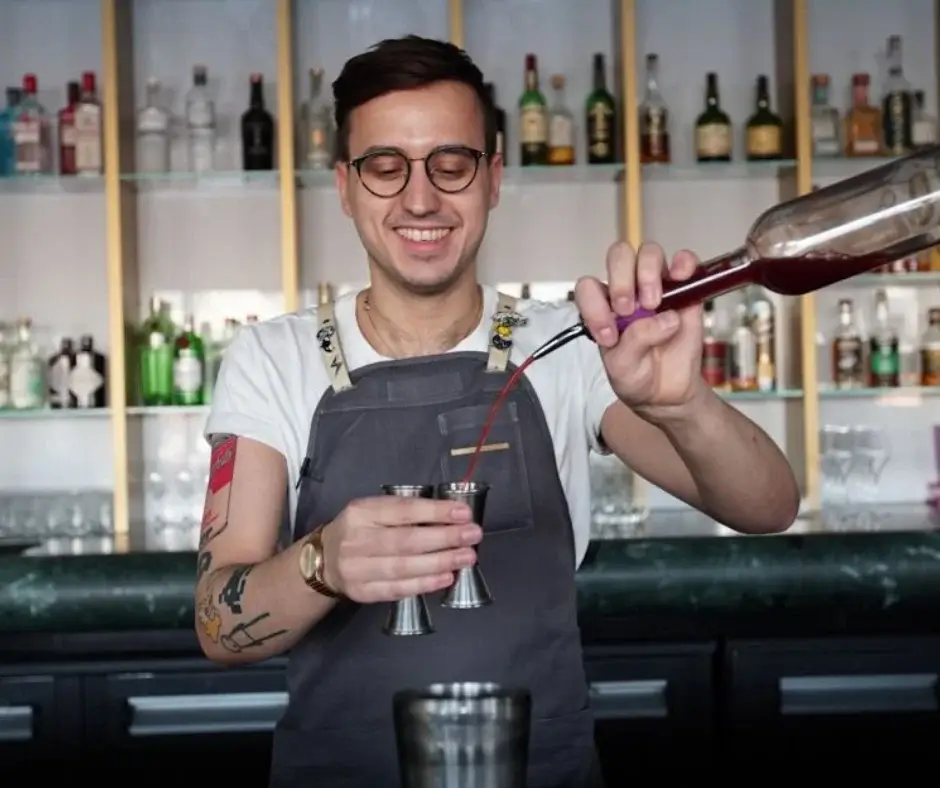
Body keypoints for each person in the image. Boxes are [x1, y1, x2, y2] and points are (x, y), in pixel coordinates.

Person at [193, 35, 800, 788]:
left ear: (493, 178)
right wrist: (322, 563)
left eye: (452, 164)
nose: (421, 198)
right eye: (386, 168)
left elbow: (769, 507)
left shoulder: (570, 344)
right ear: (344, 187)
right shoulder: (273, 359)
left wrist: (684, 404)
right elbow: (219, 623)